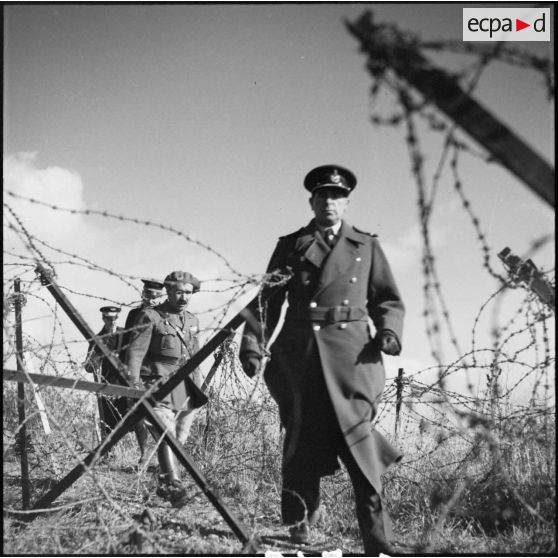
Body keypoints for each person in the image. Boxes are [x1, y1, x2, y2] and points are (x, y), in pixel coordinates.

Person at [239, 164, 405, 554]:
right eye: (322, 195)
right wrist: (251, 345)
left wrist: (390, 331)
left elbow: (387, 299)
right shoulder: (292, 245)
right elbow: (267, 300)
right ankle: (300, 528)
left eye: (336, 196)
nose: (329, 202)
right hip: (300, 357)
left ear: (346, 202)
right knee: (301, 443)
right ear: (311, 201)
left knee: (360, 447)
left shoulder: (366, 246)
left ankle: (378, 541)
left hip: (352, 359)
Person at [125, 270, 207, 507]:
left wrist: (197, 387)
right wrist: (135, 387)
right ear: (168, 291)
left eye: (188, 293)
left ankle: (164, 482)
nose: (184, 298)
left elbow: (194, 356)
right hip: (155, 384)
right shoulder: (150, 316)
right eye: (179, 292)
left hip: (183, 386)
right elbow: (136, 353)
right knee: (165, 434)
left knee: (178, 439)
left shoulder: (192, 321)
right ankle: (174, 485)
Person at [122, 278, 166, 468]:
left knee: (161, 414)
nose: (151, 300)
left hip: (159, 372)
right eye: (148, 295)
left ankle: (163, 457)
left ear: (161, 297)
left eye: (156, 296)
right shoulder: (134, 315)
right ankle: (144, 455)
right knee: (139, 415)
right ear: (143, 294)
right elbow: (126, 345)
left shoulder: (165, 315)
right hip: (138, 372)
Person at [84, 306, 128, 441]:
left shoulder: (126, 334)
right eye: (109, 318)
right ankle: (110, 452)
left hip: (127, 382)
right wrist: (97, 358)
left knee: (131, 420)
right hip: (108, 383)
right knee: (110, 422)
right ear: (103, 318)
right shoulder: (98, 339)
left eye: (115, 318)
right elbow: (89, 366)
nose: (112, 321)